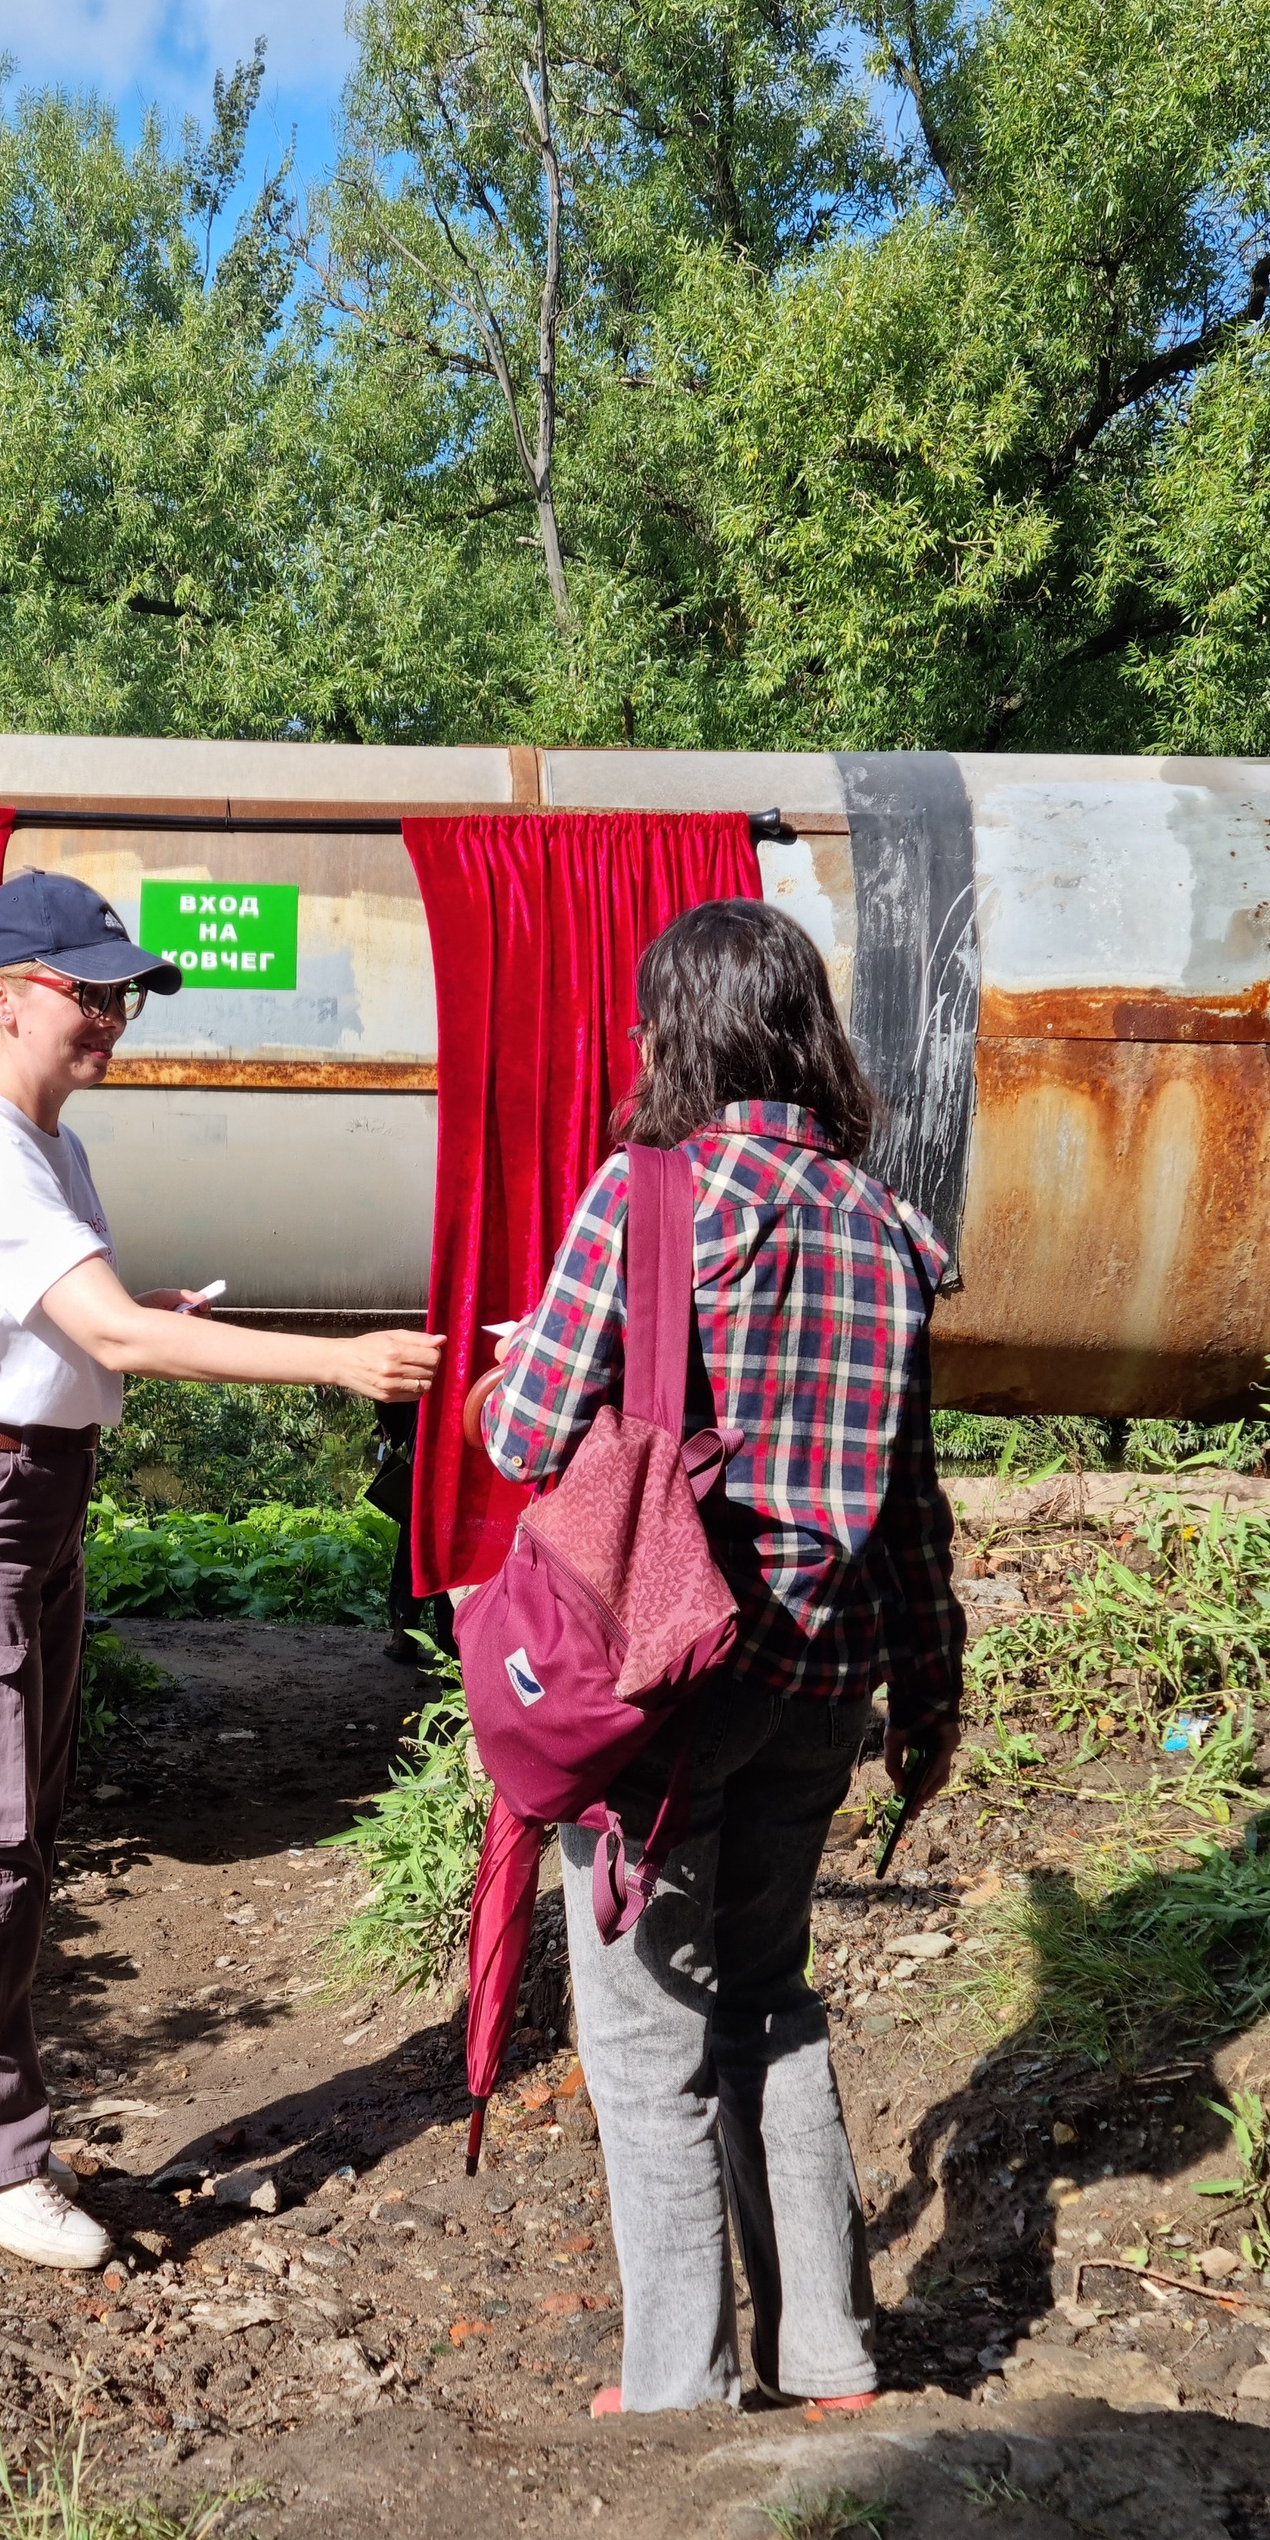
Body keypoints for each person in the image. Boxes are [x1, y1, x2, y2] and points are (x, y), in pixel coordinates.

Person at [0, 869, 443, 2271]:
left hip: (30, 1488)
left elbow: (84, 1327)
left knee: (14, 1809)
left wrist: (134, 1315)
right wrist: (335, 1360)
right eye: (91, 991)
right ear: (3, 997)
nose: (114, 1017)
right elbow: (116, 1343)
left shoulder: (45, 1144)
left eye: (122, 992)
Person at [473, 897, 964, 2415]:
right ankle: (826, 2355)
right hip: (826, 1685)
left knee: (642, 2038)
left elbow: (525, 1433)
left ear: (675, 1038)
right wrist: (932, 1691)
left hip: (663, 1703)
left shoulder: (649, 1198)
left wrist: (514, 1363)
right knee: (772, 1998)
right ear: (806, 1034)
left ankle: (676, 2385)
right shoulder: (888, 1231)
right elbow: (913, 1496)